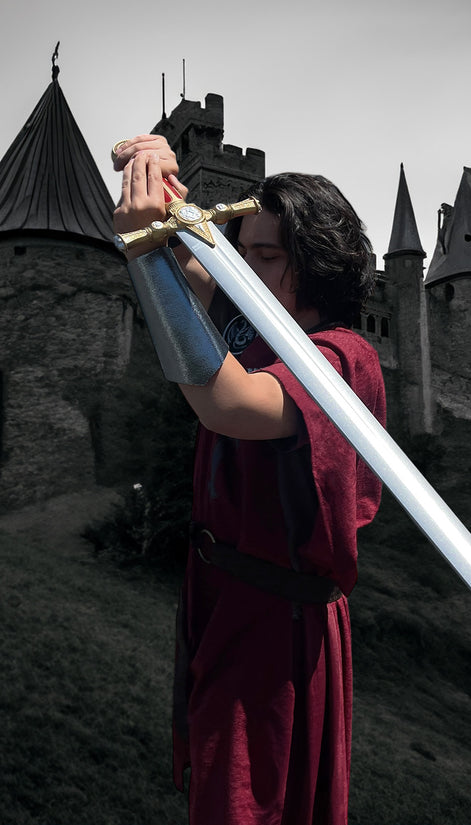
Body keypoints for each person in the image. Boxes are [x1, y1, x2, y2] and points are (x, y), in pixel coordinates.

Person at [113, 135, 386, 825]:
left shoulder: (342, 359)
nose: (243, 270)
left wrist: (143, 249)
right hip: (229, 604)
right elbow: (195, 264)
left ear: (316, 263)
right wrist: (162, 193)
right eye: (245, 253)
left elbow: (227, 401)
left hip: (278, 633)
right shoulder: (261, 330)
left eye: (265, 256)